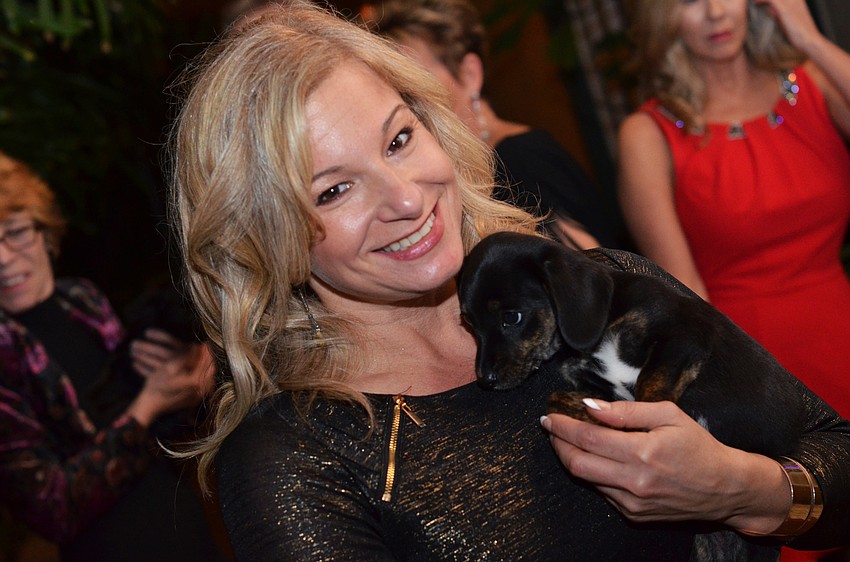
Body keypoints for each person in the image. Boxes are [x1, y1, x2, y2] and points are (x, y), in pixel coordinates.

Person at [167, 2, 850, 560]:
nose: (405, 197)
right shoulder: (296, 458)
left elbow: (835, 453)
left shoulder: (597, 289)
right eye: (336, 189)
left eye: (399, 140)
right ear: (269, 240)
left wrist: (743, 490)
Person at [617, 0, 850, 427]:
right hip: (758, 363)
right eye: (689, 1)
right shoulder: (648, 135)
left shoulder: (812, 84)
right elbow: (685, 295)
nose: (715, 12)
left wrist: (810, 40)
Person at [0, 151, 229, 562]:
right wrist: (148, 405)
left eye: (14, 231)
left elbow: (169, 435)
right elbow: (53, 510)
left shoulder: (84, 300)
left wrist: (192, 375)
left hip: (181, 524)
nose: (2, 258)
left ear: (43, 230)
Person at [368, 0, 621, 249]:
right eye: (397, 88)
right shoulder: (477, 169)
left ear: (470, 74)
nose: (409, 100)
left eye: (419, 79)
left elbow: (586, 272)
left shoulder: (520, 161)